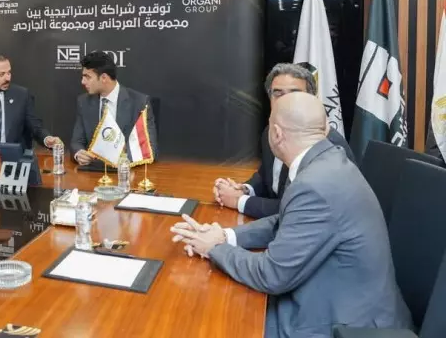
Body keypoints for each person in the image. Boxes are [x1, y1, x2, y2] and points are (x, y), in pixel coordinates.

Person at [171, 92, 412, 338]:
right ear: (325, 128)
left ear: (276, 134)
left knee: (211, 319)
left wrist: (214, 248)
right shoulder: (327, 161)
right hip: (343, 299)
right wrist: (225, 236)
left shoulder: (315, 185)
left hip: (344, 325)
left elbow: (271, 275)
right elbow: (286, 220)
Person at [214, 63, 355, 219]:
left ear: (311, 98)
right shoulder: (271, 131)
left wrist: (239, 201)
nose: (286, 100)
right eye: (278, 93)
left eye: (295, 94)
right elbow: (265, 177)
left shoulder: (326, 144)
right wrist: (244, 190)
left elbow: (299, 209)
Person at [71, 51, 158, 164]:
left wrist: (120, 163)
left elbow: (149, 148)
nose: (83, 81)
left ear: (104, 78)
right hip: (93, 170)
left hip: (127, 170)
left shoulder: (139, 103)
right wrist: (79, 153)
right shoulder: (83, 102)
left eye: (87, 77)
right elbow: (77, 141)